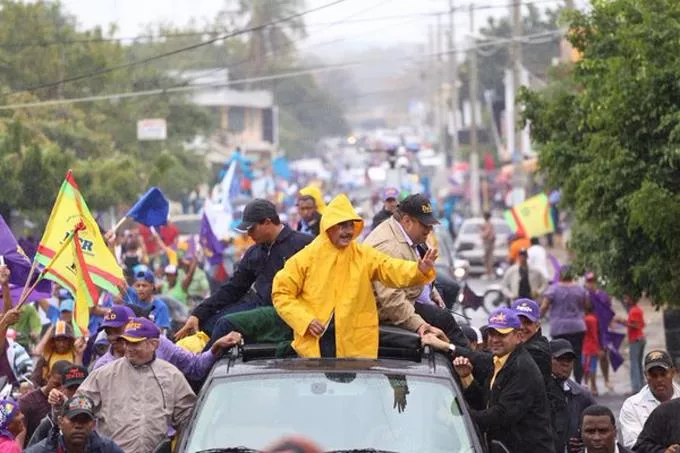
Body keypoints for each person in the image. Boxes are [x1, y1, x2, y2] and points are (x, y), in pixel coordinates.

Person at [272, 194, 438, 358]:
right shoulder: (306, 258)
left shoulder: (363, 255)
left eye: (351, 225)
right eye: (342, 226)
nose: (348, 231)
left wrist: (419, 270)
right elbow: (281, 293)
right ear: (329, 227)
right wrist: (305, 320)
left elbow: (390, 268)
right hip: (317, 344)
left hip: (356, 347)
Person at [175, 199, 313, 340]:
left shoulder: (304, 244)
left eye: (251, 228)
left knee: (225, 325)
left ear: (267, 222)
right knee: (207, 323)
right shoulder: (255, 252)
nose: (248, 234)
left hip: (289, 312)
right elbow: (233, 288)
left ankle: (202, 362)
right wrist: (198, 313)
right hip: (258, 308)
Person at [76, 317, 197, 453]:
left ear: (154, 344)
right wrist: (60, 406)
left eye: (135, 343)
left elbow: (188, 420)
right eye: (126, 342)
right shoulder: (104, 375)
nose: (129, 348)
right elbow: (79, 407)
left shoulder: (171, 376)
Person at [363, 194, 468, 347]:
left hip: (412, 299)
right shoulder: (389, 247)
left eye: (430, 225)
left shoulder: (407, 236)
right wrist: (420, 326)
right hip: (388, 313)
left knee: (446, 301)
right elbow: (393, 302)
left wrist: (433, 293)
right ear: (406, 221)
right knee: (444, 321)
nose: (429, 230)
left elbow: (414, 271)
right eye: (425, 225)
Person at [452, 308, 555, 453]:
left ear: (518, 337)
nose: (495, 340)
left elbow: (502, 415)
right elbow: (486, 403)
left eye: (502, 335)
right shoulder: (499, 361)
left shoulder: (522, 368)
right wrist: (466, 377)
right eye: (492, 334)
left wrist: (460, 419)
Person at [92, 305, 239, 381]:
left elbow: (194, 367)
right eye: (108, 331)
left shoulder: (159, 344)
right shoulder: (102, 367)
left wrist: (215, 348)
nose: (112, 337)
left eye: (117, 329)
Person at [619, 349, 680, 449]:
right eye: (653, 375)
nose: (659, 380)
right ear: (646, 375)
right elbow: (634, 444)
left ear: (672, 372)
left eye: (663, 374)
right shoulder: (632, 405)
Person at [25, 395, 123, 453]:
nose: (78, 425)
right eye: (73, 420)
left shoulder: (107, 448)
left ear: (93, 424)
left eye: (84, 420)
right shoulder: (42, 450)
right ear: (60, 422)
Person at [541, 265, 589, 383]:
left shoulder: (553, 289)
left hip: (559, 328)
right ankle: (578, 382)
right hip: (578, 326)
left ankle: (560, 382)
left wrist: (538, 317)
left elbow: (544, 306)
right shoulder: (581, 289)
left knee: (559, 356)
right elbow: (587, 306)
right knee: (577, 356)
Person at [549, 338, 596, 453]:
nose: (565, 363)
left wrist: (585, 442)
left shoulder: (582, 395)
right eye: (560, 359)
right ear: (548, 360)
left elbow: (599, 425)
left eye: (569, 359)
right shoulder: (536, 389)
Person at [28, 365, 89, 447]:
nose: (75, 392)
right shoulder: (49, 422)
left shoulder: (98, 417)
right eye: (71, 388)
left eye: (79, 387)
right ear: (63, 389)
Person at [19, 360, 70, 444]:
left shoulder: (72, 402)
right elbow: (19, 439)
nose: (60, 391)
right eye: (56, 385)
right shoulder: (27, 402)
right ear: (48, 376)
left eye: (66, 387)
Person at [585, 272, 615, 394]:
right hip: (591, 328)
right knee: (591, 357)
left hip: (602, 329)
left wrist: (610, 323)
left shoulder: (603, 295)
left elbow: (608, 309)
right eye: (589, 281)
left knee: (603, 356)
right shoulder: (585, 295)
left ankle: (606, 379)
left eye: (592, 281)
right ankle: (592, 385)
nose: (591, 283)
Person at [31, 321, 85, 388]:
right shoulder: (46, 356)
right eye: (58, 340)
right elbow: (35, 379)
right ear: (53, 341)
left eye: (64, 340)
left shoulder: (76, 355)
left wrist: (79, 355)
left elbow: (80, 378)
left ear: (70, 340)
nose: (61, 344)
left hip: (70, 389)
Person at [123, 269, 170, 333]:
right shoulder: (132, 297)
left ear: (152, 286)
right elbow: (120, 281)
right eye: (138, 286)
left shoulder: (160, 307)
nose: (140, 288)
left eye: (144, 285)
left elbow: (159, 332)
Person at [615, 295, 646, 394]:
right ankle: (641, 385)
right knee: (638, 363)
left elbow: (635, 325)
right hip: (641, 338)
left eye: (627, 298)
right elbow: (642, 324)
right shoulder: (638, 310)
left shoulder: (633, 311)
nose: (625, 300)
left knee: (634, 365)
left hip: (635, 339)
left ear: (631, 299)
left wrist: (623, 322)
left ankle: (636, 388)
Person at [583, 303, 602, 395]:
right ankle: (593, 387)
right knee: (593, 367)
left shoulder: (586, 319)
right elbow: (596, 334)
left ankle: (587, 386)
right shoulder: (594, 319)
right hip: (593, 346)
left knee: (586, 368)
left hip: (587, 346)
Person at [480, 212, 496, 280]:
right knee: (488, 258)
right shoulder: (489, 224)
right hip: (489, 242)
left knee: (487, 259)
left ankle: (488, 273)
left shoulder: (487, 224)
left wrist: (483, 233)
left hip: (488, 242)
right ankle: (489, 272)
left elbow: (487, 233)